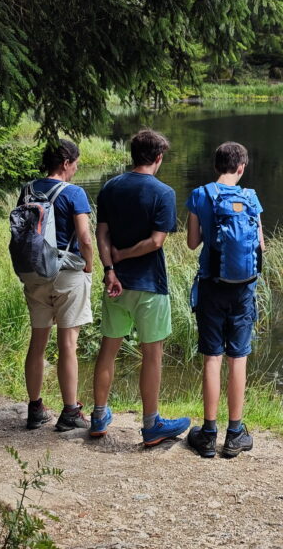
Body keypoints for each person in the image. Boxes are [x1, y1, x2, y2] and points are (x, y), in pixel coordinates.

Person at [88, 128, 191, 446]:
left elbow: (101, 234)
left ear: (133, 155)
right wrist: (125, 254)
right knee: (152, 355)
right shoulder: (163, 193)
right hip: (150, 284)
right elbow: (155, 242)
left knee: (108, 348)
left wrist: (110, 268)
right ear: (158, 158)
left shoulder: (110, 187)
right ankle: (151, 425)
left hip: (116, 283)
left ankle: (98, 416)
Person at [184, 141, 264, 459]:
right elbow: (260, 245)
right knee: (238, 358)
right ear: (241, 167)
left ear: (216, 165)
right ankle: (234, 435)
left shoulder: (200, 195)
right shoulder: (251, 198)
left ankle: (208, 434)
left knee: (212, 358)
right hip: (243, 290)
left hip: (211, 286)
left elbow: (192, 243)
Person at [20, 140, 94, 432]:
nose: (76, 168)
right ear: (65, 163)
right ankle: (70, 411)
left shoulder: (27, 190)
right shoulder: (74, 193)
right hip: (66, 272)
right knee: (68, 344)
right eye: (75, 163)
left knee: (37, 342)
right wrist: (89, 265)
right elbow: (85, 238)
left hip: (34, 271)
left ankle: (35, 409)